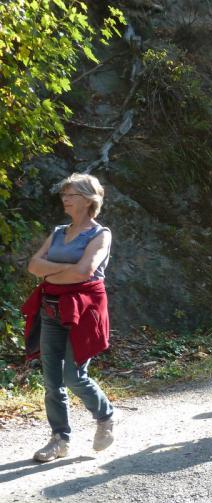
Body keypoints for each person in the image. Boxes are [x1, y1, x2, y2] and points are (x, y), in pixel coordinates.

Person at [21, 173, 115, 462]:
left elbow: (85, 272)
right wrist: (63, 270)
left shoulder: (101, 234)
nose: (65, 199)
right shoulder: (59, 231)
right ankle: (59, 439)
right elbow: (33, 265)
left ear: (88, 200)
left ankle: (105, 416)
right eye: (64, 194)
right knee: (52, 380)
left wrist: (50, 270)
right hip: (51, 309)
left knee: (73, 376)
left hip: (83, 313)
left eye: (71, 194)